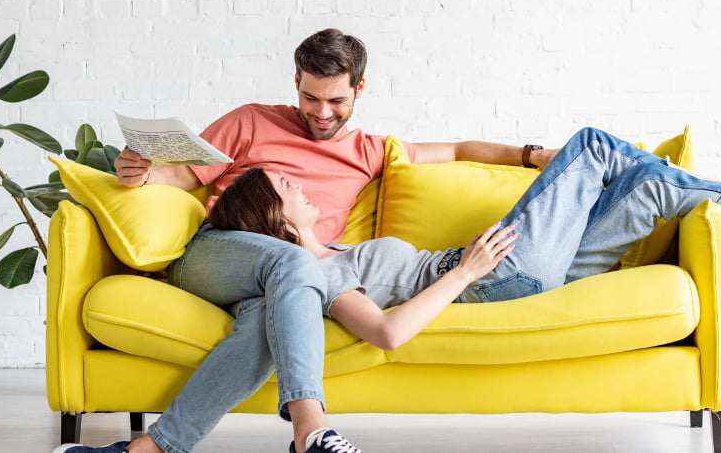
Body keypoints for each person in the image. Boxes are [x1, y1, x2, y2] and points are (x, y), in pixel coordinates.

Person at [54, 29, 560, 453]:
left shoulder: (367, 150)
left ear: (360, 90)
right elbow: (183, 178)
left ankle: (146, 450)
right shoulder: (251, 121)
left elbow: (455, 148)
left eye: (336, 100)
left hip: (292, 279)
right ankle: (309, 430)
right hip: (217, 254)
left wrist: (531, 155)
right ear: (296, 83)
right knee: (297, 264)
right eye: (310, 97)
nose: (321, 113)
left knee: (272, 314)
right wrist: (139, 177)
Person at [212, 126, 721, 350]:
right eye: (287, 189)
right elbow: (387, 333)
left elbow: (445, 147)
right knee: (596, 144)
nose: (302, 189)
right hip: (494, 273)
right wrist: (465, 270)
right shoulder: (317, 278)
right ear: (277, 220)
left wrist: (528, 156)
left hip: (531, 269)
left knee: (658, 188)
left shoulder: (330, 248)